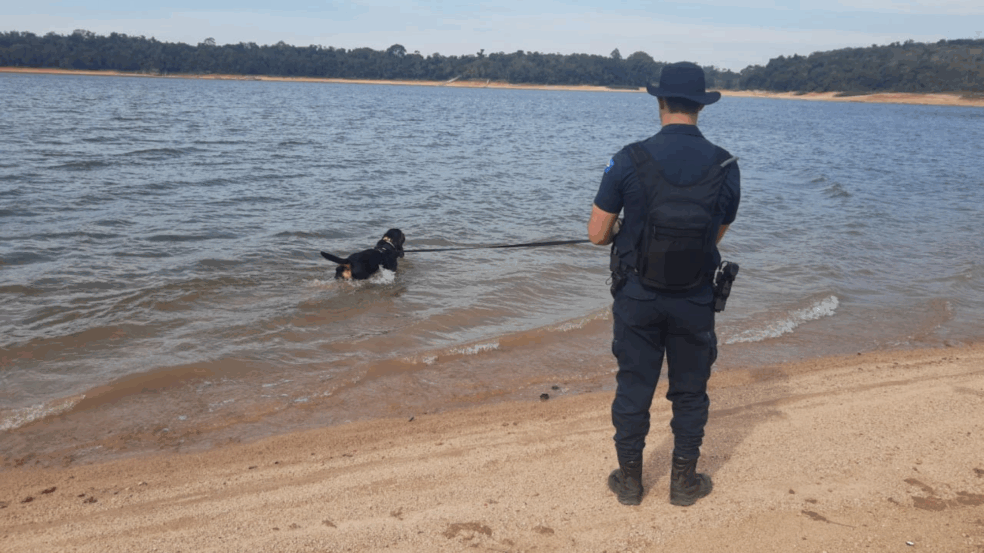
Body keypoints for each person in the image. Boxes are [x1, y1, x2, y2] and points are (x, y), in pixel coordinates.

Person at [587, 61, 740, 506]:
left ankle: (631, 483)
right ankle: (683, 483)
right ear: (701, 106)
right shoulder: (726, 165)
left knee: (633, 387)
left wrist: (627, 233)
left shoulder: (628, 158)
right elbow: (716, 234)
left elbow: (597, 234)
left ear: (660, 102)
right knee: (690, 392)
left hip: (638, 297)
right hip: (694, 297)